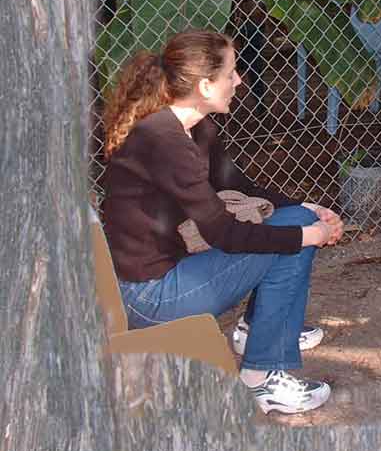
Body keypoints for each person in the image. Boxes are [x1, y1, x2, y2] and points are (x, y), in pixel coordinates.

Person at [100, 28, 343, 415]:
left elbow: (234, 183)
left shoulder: (191, 126)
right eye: (231, 73)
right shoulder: (164, 140)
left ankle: (259, 330)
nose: (240, 80)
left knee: (294, 222)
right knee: (293, 237)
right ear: (205, 85)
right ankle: (261, 378)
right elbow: (224, 234)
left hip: (162, 278)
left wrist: (307, 207)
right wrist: (308, 233)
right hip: (150, 298)